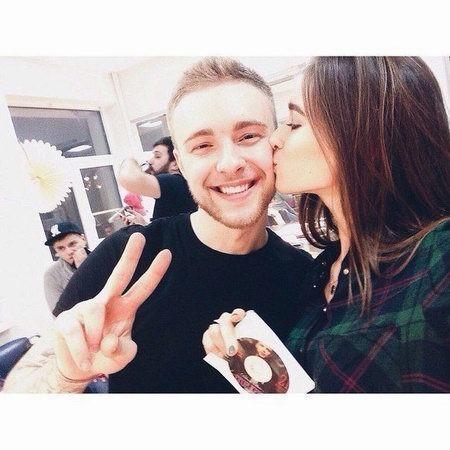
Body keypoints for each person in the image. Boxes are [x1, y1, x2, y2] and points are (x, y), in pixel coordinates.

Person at [3, 57, 313, 393]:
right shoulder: (127, 257)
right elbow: (21, 388)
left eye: (249, 136)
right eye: (203, 146)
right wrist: (67, 376)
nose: (229, 163)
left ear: (276, 143)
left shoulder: (306, 277)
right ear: (181, 163)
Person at [203, 57, 450, 393]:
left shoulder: (439, 259)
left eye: (294, 123)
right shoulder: (320, 271)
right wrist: (257, 366)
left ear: (363, 137)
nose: (275, 139)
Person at [118, 136, 197, 220]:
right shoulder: (178, 186)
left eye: (157, 156)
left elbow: (129, 179)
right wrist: (141, 222)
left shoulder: (174, 181)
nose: (150, 161)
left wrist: (129, 159)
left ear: (175, 164)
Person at [43, 221, 89, 312]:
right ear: (55, 250)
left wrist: (85, 267)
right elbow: (58, 312)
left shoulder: (103, 258)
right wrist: (81, 272)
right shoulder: (52, 275)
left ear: (83, 239)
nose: (68, 251)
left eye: (72, 244)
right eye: (61, 248)